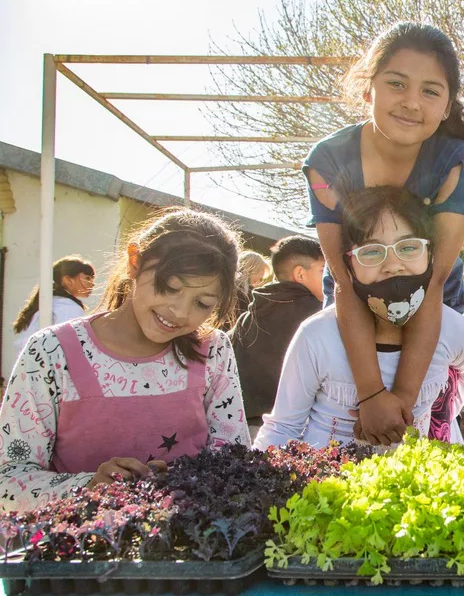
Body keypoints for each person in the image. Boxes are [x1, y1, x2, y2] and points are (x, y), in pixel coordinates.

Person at [303, 22, 464, 446]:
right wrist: (372, 394)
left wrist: (404, 399)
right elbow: (344, 279)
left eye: (431, 90)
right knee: (346, 417)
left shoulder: (457, 163)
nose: (412, 102)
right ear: (368, 90)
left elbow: (430, 284)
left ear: (447, 106)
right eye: (397, 83)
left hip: (430, 298)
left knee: (424, 433)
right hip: (352, 295)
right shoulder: (327, 160)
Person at [0, 209, 250, 512]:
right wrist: (88, 486)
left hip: (189, 548)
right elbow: (8, 481)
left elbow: (234, 458)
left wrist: (186, 480)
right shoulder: (52, 352)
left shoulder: (212, 349)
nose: (181, 312)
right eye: (171, 288)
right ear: (135, 261)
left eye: (203, 303)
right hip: (76, 551)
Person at [253, 187, 464, 450]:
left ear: (430, 254)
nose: (392, 264)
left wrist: (439, 413)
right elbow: (283, 426)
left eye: (409, 247)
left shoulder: (452, 329)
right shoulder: (317, 336)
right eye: (371, 251)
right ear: (347, 264)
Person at [229, 236, 325, 430]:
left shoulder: (250, 315)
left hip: (241, 425)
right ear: (300, 274)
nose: (331, 279)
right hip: (288, 430)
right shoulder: (318, 316)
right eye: (323, 271)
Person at [12, 256, 96, 357]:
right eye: (87, 278)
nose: (92, 283)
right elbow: (69, 346)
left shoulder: (47, 304)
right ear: (68, 280)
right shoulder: (68, 307)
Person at [230, 251, 272, 326]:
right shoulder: (248, 295)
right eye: (261, 278)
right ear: (254, 271)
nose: (260, 282)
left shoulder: (227, 284)